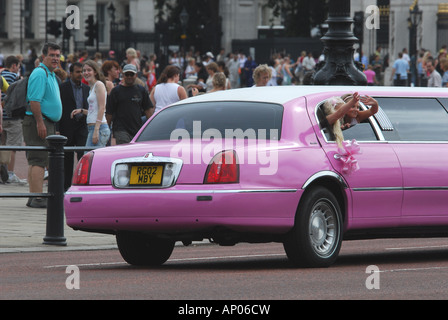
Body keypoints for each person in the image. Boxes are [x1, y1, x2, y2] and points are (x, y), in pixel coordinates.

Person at [23, 42, 63, 208]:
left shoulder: (50, 74)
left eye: (57, 55)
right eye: (51, 55)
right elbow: (34, 101)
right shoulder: (40, 73)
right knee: (39, 159)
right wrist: (40, 122)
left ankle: (34, 197)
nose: (55, 58)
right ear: (43, 56)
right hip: (38, 121)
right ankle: (38, 198)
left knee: (36, 160)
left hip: (47, 121)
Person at [58, 62, 90, 191]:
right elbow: (59, 108)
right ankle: (66, 187)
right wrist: (58, 128)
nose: (80, 74)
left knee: (83, 156)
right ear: (71, 73)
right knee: (67, 159)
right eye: (77, 72)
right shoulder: (62, 88)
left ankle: (82, 185)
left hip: (82, 126)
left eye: (82, 71)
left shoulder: (87, 89)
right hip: (67, 127)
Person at [106, 64, 153, 145]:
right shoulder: (116, 91)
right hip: (120, 129)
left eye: (131, 74)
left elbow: (148, 109)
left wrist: (151, 127)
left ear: (136, 75)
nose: (129, 77)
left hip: (137, 129)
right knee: (124, 151)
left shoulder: (141, 90)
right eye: (127, 74)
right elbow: (109, 112)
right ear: (123, 75)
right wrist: (107, 131)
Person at [71, 60, 110, 148]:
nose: (86, 73)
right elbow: (93, 111)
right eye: (84, 71)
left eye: (89, 70)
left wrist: (96, 130)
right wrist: (81, 111)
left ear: (95, 72)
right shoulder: (92, 87)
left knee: (91, 159)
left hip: (99, 128)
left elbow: (102, 108)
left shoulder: (99, 85)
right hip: (93, 128)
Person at [1, 55, 26, 184]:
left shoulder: (1, 76)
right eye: (18, 66)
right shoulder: (13, 77)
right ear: (14, 65)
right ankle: (10, 174)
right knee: (12, 147)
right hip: (12, 116)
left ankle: (2, 175)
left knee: (2, 146)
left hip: (1, 117)